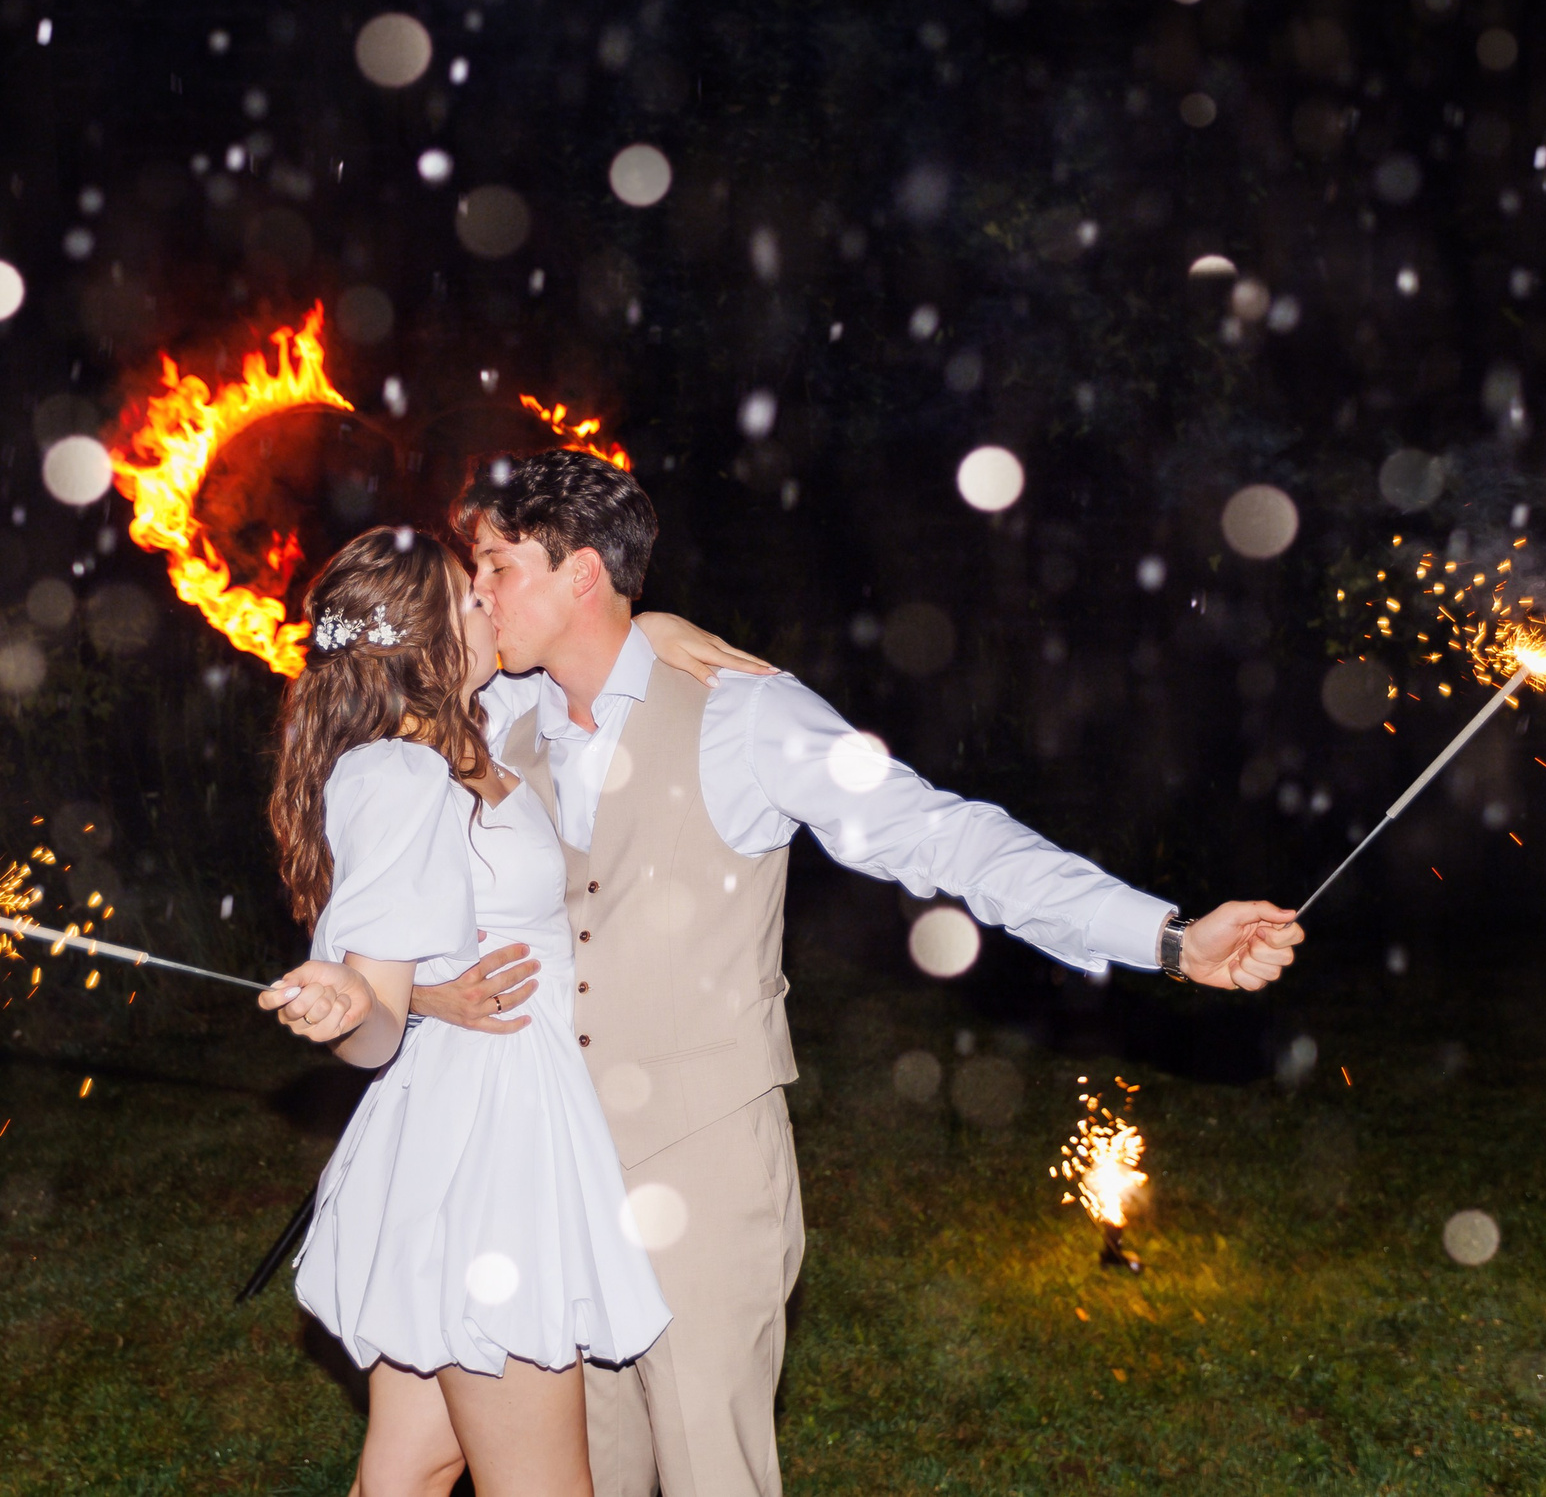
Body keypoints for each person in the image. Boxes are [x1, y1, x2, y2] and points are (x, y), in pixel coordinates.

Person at [413, 449, 1306, 1497]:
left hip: (697, 1162)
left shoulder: (744, 716)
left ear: (580, 576)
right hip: (548, 1161)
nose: (477, 593)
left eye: (500, 567)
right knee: (587, 1474)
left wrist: (1164, 936)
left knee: (712, 1472)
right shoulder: (496, 720)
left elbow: (947, 839)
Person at [256, 525, 763, 1497]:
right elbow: (372, 1016)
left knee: (413, 1466)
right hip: (486, 1161)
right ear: (422, 638)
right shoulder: (399, 773)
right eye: (467, 595)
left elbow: (588, 657)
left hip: (487, 1123)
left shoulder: (471, 723)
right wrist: (355, 1000)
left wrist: (654, 624)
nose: (489, 603)